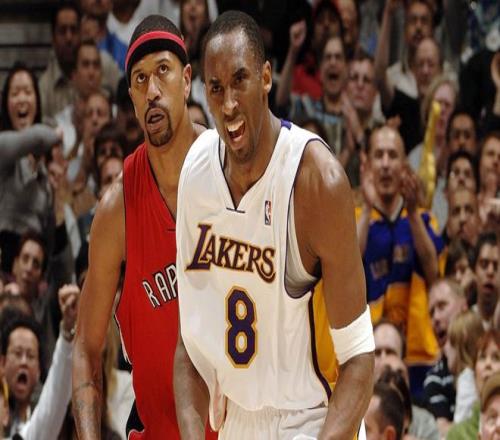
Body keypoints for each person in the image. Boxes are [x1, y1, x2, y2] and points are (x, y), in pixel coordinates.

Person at [175, 10, 374, 439]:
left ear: (266, 77)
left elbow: (359, 360)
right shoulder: (196, 175)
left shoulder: (317, 181)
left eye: (240, 80)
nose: (229, 104)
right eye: (216, 88)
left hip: (315, 418)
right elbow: (188, 347)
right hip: (238, 421)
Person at [72, 15, 204, 439]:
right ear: (130, 97)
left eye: (163, 71)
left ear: (187, 80)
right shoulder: (117, 208)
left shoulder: (229, 171)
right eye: (140, 79)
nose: (152, 91)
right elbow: (85, 347)